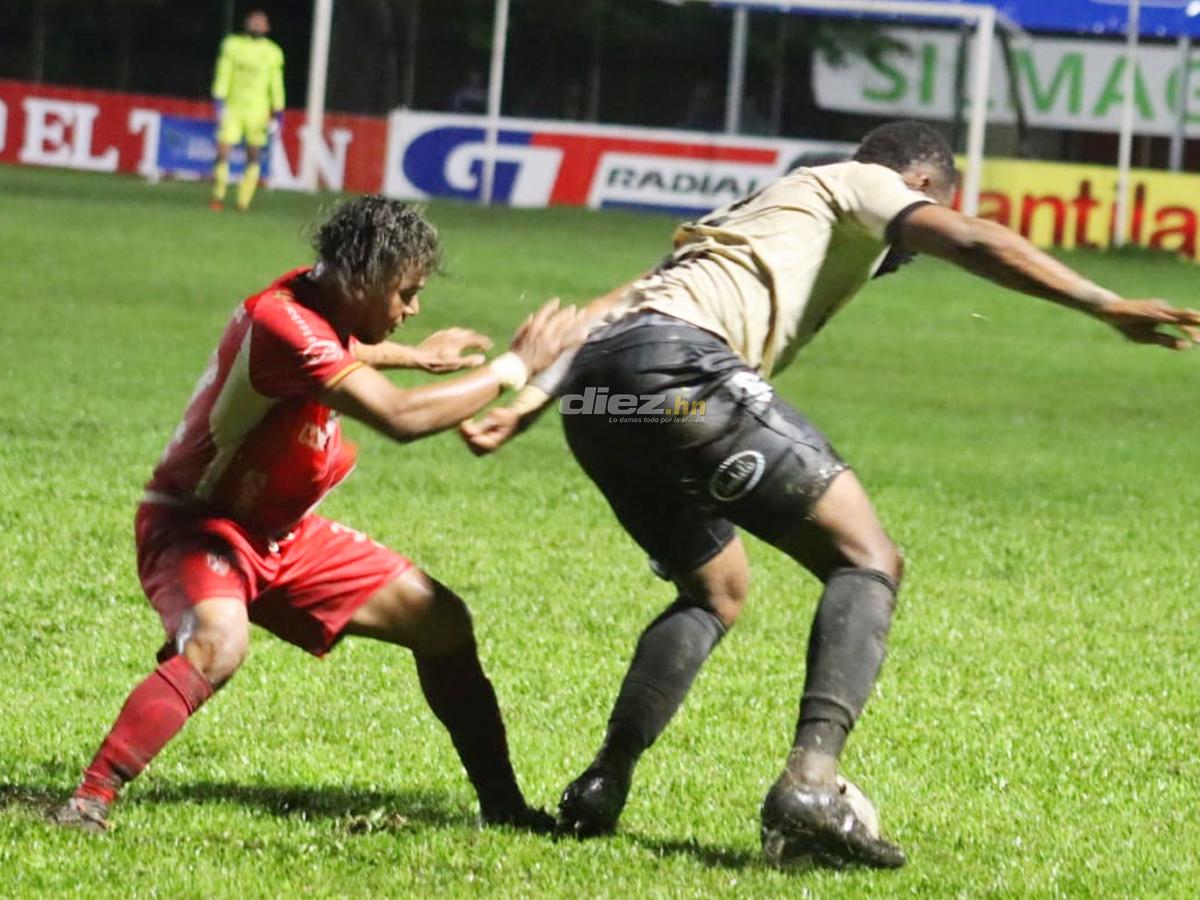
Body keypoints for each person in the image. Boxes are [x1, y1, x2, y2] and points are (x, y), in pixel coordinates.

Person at [460, 121, 1200, 868]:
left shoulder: (748, 213)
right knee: (868, 557)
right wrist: (1104, 303)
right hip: (680, 378)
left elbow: (619, 305)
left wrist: (534, 396)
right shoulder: (862, 182)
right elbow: (976, 241)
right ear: (919, 185)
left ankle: (602, 782)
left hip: (601, 399)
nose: (911, 246)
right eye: (930, 208)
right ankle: (811, 784)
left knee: (716, 590)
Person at [55, 196, 583, 833]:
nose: (413, 309)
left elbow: (340, 345)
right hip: (199, 526)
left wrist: (413, 356)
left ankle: (504, 809)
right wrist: (517, 367)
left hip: (281, 536)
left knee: (440, 621)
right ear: (363, 279)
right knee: (220, 646)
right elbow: (402, 417)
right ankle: (88, 802)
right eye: (406, 293)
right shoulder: (282, 324)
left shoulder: (313, 301)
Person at [209, 10, 285, 212]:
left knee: (254, 155)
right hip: (233, 108)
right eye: (254, 22)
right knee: (223, 150)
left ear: (267, 27)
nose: (257, 25)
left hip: (258, 112)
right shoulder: (232, 45)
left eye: (261, 22)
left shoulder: (273, 52)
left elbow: (276, 84)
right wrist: (219, 101)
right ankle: (218, 195)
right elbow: (223, 73)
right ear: (246, 24)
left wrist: (278, 112)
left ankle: (243, 201)